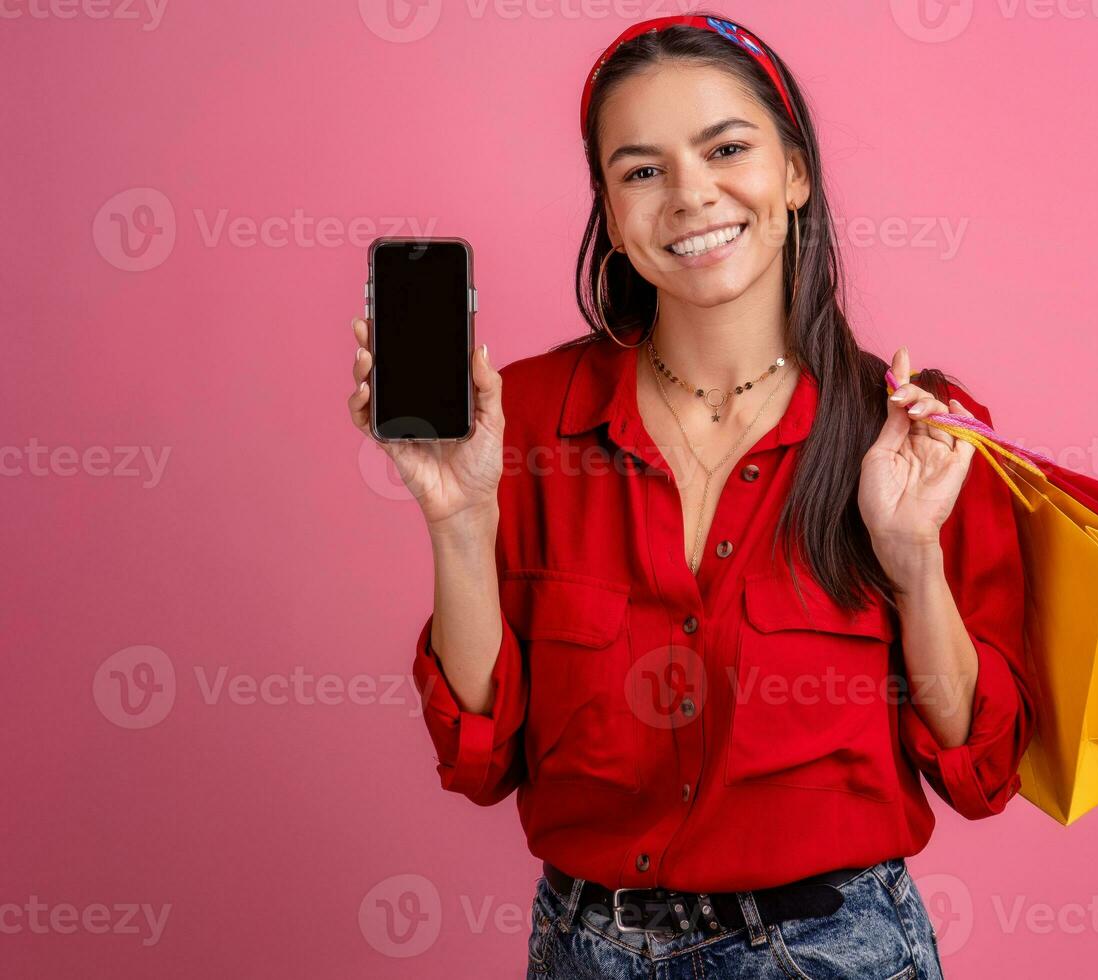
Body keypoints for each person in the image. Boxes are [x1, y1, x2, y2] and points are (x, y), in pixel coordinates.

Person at [346, 12, 1035, 978]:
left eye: (727, 149)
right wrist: (458, 523)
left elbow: (976, 765)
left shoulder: (913, 432)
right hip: (585, 949)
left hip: (830, 952)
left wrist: (914, 558)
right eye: (642, 170)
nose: (690, 195)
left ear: (795, 172)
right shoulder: (526, 421)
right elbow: (479, 757)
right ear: (611, 214)